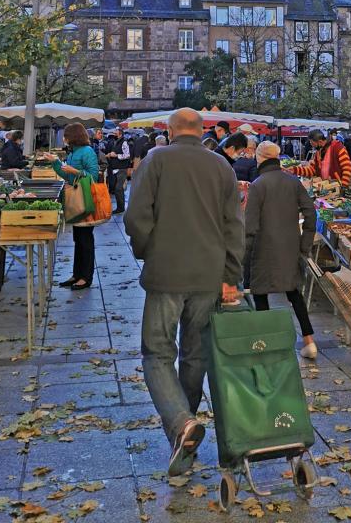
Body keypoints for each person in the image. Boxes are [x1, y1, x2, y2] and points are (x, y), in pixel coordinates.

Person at [124, 108, 244, 476]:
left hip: (166, 273)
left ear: (171, 130)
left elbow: (136, 218)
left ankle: (181, 424)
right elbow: (233, 226)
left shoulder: (156, 160)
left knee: (157, 353)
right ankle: (185, 440)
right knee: (195, 357)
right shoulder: (222, 166)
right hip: (208, 275)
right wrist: (231, 275)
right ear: (203, 129)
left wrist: (146, 250)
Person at [245, 141, 318, 359]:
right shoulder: (293, 181)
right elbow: (311, 214)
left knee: (260, 293)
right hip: (290, 247)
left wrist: (243, 257)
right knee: (294, 293)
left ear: (260, 158)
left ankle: (265, 343)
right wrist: (304, 245)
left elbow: (250, 226)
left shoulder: (257, 185)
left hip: (263, 248)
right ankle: (309, 341)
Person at [51, 123, 99, 290]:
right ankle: (77, 274)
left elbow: (93, 177)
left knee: (85, 239)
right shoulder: (73, 152)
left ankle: (86, 277)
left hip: (85, 198)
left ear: (73, 136)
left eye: (66, 135)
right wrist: (56, 163)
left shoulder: (87, 152)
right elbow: (66, 174)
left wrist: (74, 171)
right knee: (78, 238)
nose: (64, 138)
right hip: (75, 198)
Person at [107, 128, 131, 214]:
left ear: (120, 133)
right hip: (116, 168)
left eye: (115, 132)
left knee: (118, 189)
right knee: (118, 189)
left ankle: (120, 208)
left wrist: (116, 155)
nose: (114, 133)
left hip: (122, 168)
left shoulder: (124, 142)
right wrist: (110, 155)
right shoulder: (116, 141)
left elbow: (127, 155)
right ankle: (120, 207)